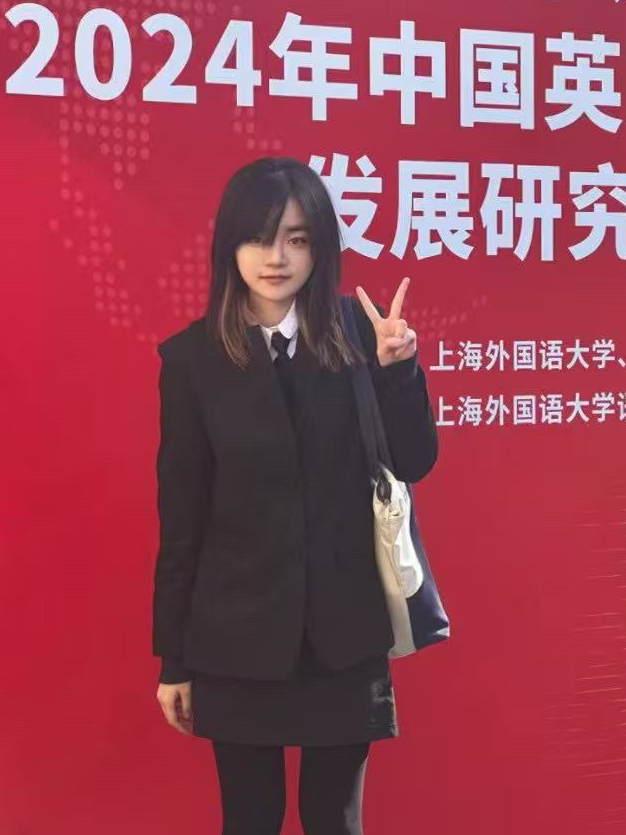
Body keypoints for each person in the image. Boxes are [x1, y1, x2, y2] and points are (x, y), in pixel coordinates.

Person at [151, 156, 437, 835]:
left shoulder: (361, 332)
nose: (276, 257)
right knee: (249, 819)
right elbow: (182, 517)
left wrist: (399, 372)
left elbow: (414, 462)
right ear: (230, 246)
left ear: (321, 247)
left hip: (342, 637)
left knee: (334, 820)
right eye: (258, 237)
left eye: (297, 238)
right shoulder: (192, 359)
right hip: (234, 641)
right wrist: (174, 659)